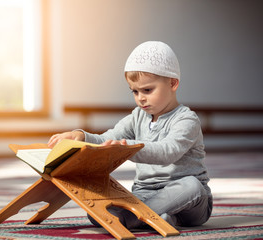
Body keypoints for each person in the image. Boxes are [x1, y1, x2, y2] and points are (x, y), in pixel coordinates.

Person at [48, 41, 212, 229]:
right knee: (95, 208)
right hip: (145, 194)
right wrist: (81, 136)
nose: (140, 97)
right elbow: (109, 137)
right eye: (135, 91)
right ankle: (157, 218)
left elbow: (168, 151)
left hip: (190, 201)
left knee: (192, 186)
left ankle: (134, 218)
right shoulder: (137, 116)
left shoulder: (187, 119)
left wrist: (128, 149)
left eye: (147, 90)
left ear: (173, 83)